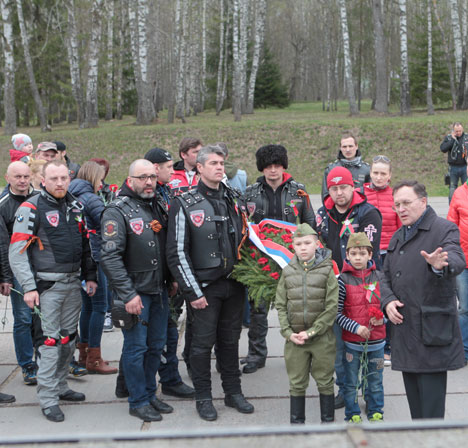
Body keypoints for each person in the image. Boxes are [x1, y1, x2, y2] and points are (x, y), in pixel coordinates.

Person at [166, 145, 254, 422]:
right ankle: (204, 397)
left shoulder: (234, 199)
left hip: (235, 284)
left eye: (222, 163)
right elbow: (177, 251)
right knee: (201, 346)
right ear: (199, 168)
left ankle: (233, 392)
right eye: (213, 163)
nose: (219, 167)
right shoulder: (184, 202)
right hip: (204, 288)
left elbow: (248, 239)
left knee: (230, 342)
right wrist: (192, 291)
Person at [8, 160, 97, 423]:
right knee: (49, 344)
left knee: (68, 340)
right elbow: (17, 252)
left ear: (69, 178)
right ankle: (48, 399)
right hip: (46, 288)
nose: (59, 183)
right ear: (43, 180)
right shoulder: (31, 207)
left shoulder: (75, 206)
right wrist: (29, 287)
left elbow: (85, 243)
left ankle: (60, 386)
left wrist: (90, 276)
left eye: (63, 178)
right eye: (54, 179)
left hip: (73, 285)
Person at [381, 180, 466, 419]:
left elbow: (457, 259)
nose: (401, 208)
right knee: (417, 414)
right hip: (406, 331)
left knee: (431, 413)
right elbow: (384, 274)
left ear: (423, 202)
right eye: (397, 204)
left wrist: (441, 265)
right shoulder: (398, 236)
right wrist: (387, 300)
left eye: (406, 202)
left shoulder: (443, 229)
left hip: (431, 333)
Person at [100, 159, 173, 422]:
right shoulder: (116, 211)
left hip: (159, 290)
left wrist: (172, 279)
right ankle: (138, 400)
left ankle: (150, 393)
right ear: (130, 180)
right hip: (135, 292)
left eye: (152, 176)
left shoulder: (158, 205)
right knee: (136, 348)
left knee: (156, 346)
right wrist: (128, 294)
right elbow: (109, 257)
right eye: (143, 177)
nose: (149, 182)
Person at [242, 144, 316, 374]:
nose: (273, 171)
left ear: (283, 166)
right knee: (258, 311)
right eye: (268, 166)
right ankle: (256, 354)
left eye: (277, 166)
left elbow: (310, 224)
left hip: (292, 259)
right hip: (260, 262)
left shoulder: (299, 191)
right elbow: (243, 226)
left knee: (299, 310)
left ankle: (303, 353)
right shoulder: (250, 193)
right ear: (262, 168)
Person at [316, 166, 382, 410]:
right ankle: (346, 390)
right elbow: (320, 247)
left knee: (366, 338)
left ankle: (369, 388)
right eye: (333, 188)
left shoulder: (368, 213)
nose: (339, 193)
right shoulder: (323, 213)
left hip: (365, 283)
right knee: (339, 342)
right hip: (335, 286)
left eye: (343, 187)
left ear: (352, 185)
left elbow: (368, 252)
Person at [143, 147, 195, 399]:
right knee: (155, 334)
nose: (172, 172)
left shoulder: (163, 192)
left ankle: (164, 378)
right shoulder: (144, 196)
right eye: (167, 167)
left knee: (165, 330)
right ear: (154, 168)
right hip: (151, 278)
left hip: (165, 274)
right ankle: (165, 381)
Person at [275, 223, 338, 424]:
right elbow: (281, 304)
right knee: (296, 383)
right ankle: (297, 427)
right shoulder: (287, 272)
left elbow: (331, 307)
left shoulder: (327, 270)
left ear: (317, 245)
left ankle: (327, 425)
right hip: (295, 340)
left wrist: (312, 332)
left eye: (307, 243)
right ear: (293, 245)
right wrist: (287, 332)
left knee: (325, 382)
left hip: (321, 338)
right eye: (299, 243)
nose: (303, 247)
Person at [69, 161, 117, 375]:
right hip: (95, 257)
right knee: (99, 307)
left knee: (87, 307)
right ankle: (94, 358)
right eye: (100, 178)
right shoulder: (91, 198)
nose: (102, 183)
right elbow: (107, 224)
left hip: (79, 259)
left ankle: (84, 352)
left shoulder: (72, 195)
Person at [336, 232, 385, 423]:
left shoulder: (380, 277)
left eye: (362, 253)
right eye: (354, 253)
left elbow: (387, 306)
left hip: (377, 344)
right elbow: (337, 313)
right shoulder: (342, 281)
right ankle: (352, 412)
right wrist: (355, 327)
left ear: (370, 255)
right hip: (353, 344)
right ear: (347, 255)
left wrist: (383, 319)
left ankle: (375, 409)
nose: (358, 258)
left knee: (375, 379)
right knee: (351, 380)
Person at [0, 162, 38, 385]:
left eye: (26, 176)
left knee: (48, 315)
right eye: (18, 177)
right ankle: (27, 364)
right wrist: (5, 276)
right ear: (8, 178)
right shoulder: (3, 206)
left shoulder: (41, 199)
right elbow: (2, 245)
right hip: (18, 270)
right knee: (23, 318)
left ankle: (57, 358)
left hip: (44, 267)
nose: (23, 181)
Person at [363, 155, 401, 366]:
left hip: (389, 254)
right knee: (369, 298)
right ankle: (370, 341)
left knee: (389, 297)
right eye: (375, 173)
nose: (379, 177)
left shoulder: (395, 195)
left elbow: (399, 226)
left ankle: (388, 346)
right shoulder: (361, 194)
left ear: (389, 175)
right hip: (368, 255)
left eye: (383, 173)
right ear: (370, 173)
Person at [447, 168, 468, 362]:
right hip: (464, 262)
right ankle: (464, 351)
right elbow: (451, 225)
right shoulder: (459, 194)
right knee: (463, 308)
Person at [322, 134, 370, 199]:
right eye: (344, 147)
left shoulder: (367, 170)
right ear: (340, 148)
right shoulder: (331, 169)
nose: (348, 150)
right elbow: (326, 196)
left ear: (356, 146)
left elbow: (371, 194)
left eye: (350, 146)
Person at [440, 122, 468, 203]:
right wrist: (452, 139)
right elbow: (443, 149)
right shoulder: (449, 138)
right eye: (456, 131)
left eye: (460, 131)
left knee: (466, 188)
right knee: (452, 188)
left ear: (462, 129)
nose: (458, 133)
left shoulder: (466, 137)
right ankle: (452, 209)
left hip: (464, 167)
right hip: (453, 168)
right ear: (453, 130)